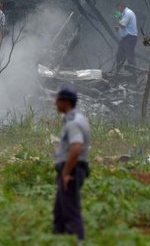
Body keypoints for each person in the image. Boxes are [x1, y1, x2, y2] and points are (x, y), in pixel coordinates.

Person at [53, 87, 91, 241]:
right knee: (60, 211)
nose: (55, 103)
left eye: (58, 100)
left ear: (65, 102)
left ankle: (77, 241)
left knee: (70, 210)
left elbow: (76, 147)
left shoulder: (73, 123)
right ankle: (58, 240)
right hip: (74, 168)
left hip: (73, 169)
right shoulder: (79, 118)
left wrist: (66, 172)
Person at [114, 2, 138, 71]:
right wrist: (118, 29)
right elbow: (124, 28)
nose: (117, 10)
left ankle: (134, 75)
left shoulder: (128, 13)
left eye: (118, 8)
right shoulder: (124, 14)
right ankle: (117, 73)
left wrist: (118, 17)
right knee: (119, 55)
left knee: (130, 56)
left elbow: (123, 25)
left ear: (121, 6)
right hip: (125, 38)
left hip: (130, 38)